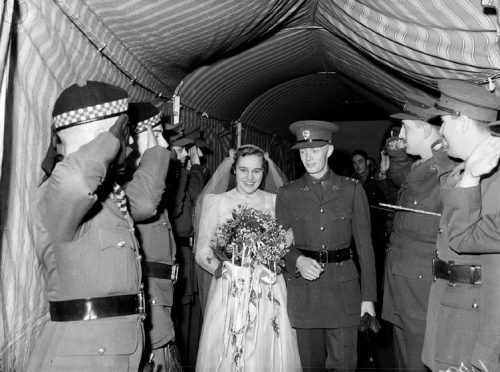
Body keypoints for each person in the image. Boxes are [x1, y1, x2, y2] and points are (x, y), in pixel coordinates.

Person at [27, 81, 146, 371]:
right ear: (100, 137)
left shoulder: (105, 196)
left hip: (118, 349)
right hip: (84, 356)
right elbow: (76, 181)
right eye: (124, 134)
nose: (128, 143)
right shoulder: (54, 195)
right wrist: (109, 140)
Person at [276, 120, 377, 372]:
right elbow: (278, 245)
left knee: (344, 365)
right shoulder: (288, 193)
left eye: (314, 150)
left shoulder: (351, 190)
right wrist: (296, 260)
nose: (308, 158)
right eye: (302, 152)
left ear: (329, 150)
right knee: (310, 366)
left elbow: (365, 247)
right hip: (304, 292)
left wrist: (368, 298)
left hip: (343, 293)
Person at [194, 145, 302, 371]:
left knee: (268, 347)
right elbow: (203, 251)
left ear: (264, 171)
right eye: (244, 170)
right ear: (234, 170)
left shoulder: (276, 201)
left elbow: (286, 244)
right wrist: (226, 271)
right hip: (229, 289)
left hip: (267, 287)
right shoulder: (216, 202)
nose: (250, 177)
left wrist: (278, 250)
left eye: (256, 171)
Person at [422, 80, 500, 372]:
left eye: (443, 122)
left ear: (464, 122)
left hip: (473, 329)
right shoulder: (468, 169)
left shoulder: (493, 179)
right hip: (453, 316)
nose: (440, 132)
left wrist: (485, 357)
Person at [380, 99, 456, 371]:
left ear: (425, 131)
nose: (400, 137)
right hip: (405, 288)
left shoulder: (445, 170)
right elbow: (398, 177)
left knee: (417, 363)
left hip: (420, 292)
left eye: (405, 129)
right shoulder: (419, 166)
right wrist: (399, 151)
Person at [125, 102, 179, 371]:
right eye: (155, 134)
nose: (164, 145)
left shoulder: (146, 182)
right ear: (133, 138)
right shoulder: (128, 190)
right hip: (149, 312)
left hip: (160, 307)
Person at [167, 135, 210, 370]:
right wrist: (194, 167)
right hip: (180, 252)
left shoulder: (179, 174)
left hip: (187, 253)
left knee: (192, 317)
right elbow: (192, 195)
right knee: (183, 321)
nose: (184, 154)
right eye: (181, 149)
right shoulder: (173, 175)